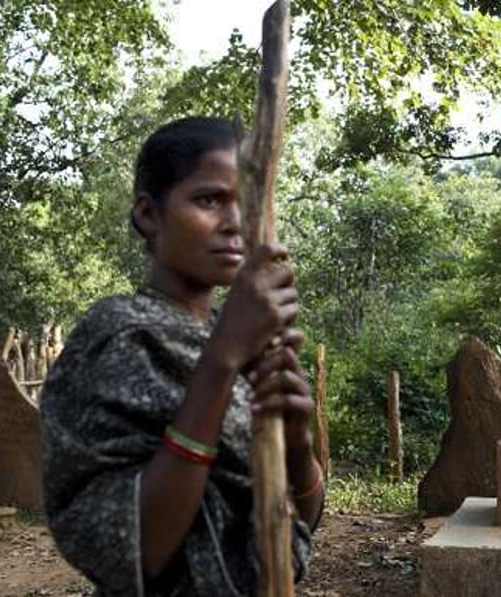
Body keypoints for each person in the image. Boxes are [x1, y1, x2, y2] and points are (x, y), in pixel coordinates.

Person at [40, 116, 324, 596]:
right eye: (210, 199)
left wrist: (297, 448)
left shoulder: (241, 341)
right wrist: (221, 360)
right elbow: (141, 550)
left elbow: (299, 523)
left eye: (249, 203)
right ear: (149, 214)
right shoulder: (118, 337)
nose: (236, 222)